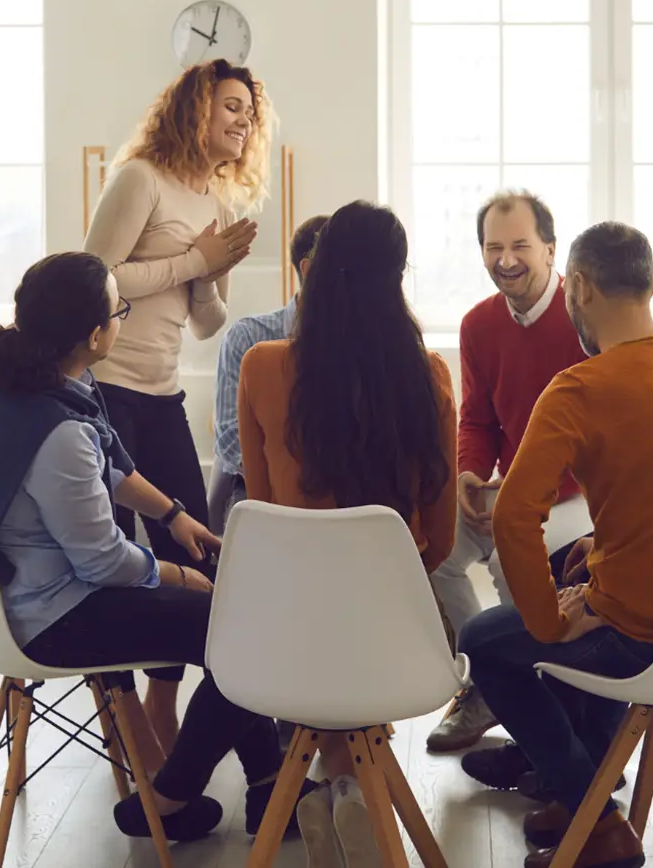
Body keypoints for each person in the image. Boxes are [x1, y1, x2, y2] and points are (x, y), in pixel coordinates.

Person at [0, 252, 291, 843]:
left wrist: (174, 516)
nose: (122, 319)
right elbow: (101, 560)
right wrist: (180, 576)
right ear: (96, 334)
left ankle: (265, 787)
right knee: (245, 631)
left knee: (233, 622)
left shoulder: (8, 381)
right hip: (58, 615)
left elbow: (112, 465)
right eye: (119, 310)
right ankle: (174, 796)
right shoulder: (57, 429)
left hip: (26, 590)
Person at [458, 222, 653, 868]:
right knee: (576, 572)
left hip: (643, 635)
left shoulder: (580, 389)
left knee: (484, 643)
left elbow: (511, 520)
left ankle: (597, 821)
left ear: (581, 287)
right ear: (650, 284)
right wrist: (592, 572)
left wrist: (551, 620)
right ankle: (581, 800)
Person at [235, 201, 457, 866]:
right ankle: (356, 788)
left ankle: (339, 783)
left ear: (317, 272)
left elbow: (263, 511)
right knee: (370, 607)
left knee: (317, 605)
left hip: (287, 641)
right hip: (394, 636)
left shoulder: (261, 366)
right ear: (397, 278)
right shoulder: (429, 376)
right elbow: (440, 541)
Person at [82, 59, 272, 748]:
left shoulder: (211, 202)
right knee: (106, 558)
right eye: (229, 106)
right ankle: (123, 716)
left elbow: (206, 322)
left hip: (162, 393)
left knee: (195, 557)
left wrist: (213, 272)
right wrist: (195, 262)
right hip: (103, 393)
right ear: (194, 110)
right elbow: (92, 277)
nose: (243, 121)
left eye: (249, 110)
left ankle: (163, 704)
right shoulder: (141, 179)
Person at [426, 191, 590, 756]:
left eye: (521, 245)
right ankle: (486, 682)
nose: (507, 258)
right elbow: (477, 420)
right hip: (508, 486)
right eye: (494, 247)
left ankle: (533, 695)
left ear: (550, 249)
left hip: (578, 491)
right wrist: (470, 474)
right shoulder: (478, 324)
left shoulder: (584, 319)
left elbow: (598, 437)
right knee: (434, 551)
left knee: (507, 555)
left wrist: (520, 493)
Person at [207, 212, 330, 533]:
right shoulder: (248, 338)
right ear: (310, 271)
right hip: (257, 490)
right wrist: (291, 479)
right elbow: (230, 441)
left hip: (334, 490)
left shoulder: (361, 340)